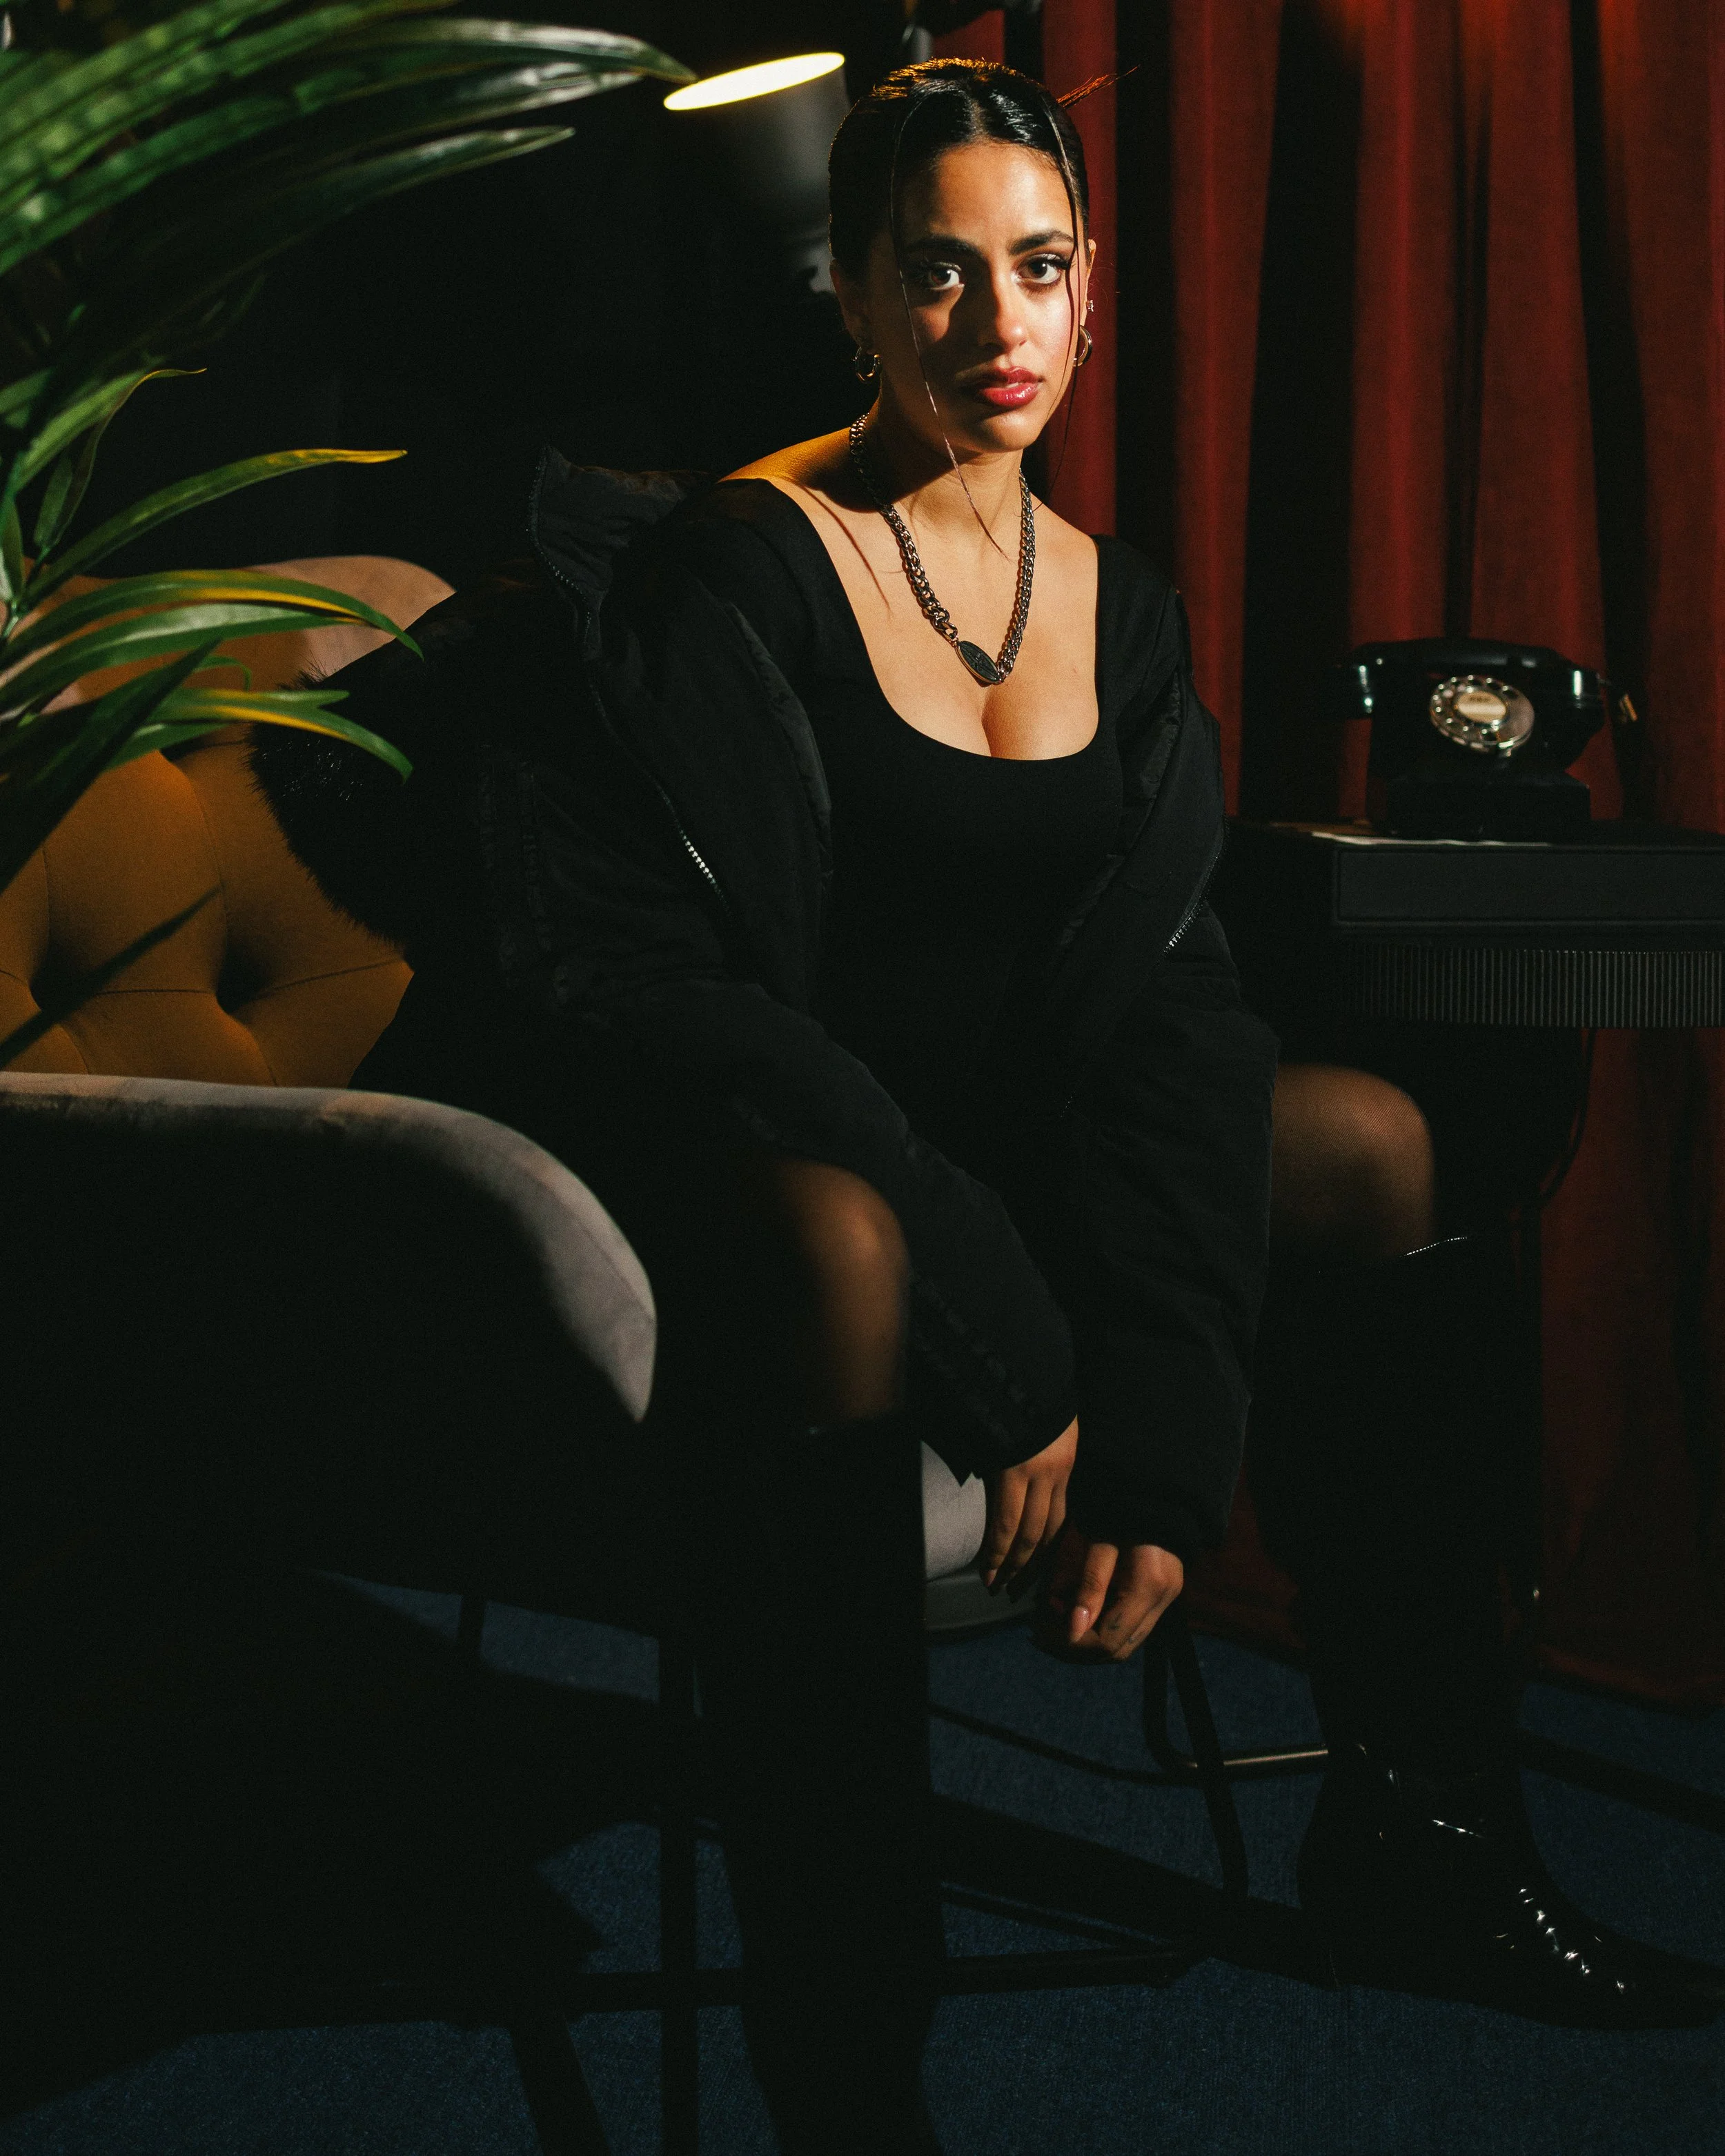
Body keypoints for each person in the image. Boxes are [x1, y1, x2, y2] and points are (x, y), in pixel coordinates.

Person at [253, 55, 1714, 2151]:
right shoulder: (729, 570)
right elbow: (673, 997)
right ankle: (852, 2056)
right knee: (846, 1233)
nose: (993, 324)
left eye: (1034, 270)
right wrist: (1017, 1339)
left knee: (1374, 1141)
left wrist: (1166, 1412)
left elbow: (1171, 1013)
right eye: (934, 277)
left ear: (1094, 292)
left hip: (995, 1128)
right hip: (756, 1135)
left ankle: (1428, 1834)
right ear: (848, 292)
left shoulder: (1121, 612)